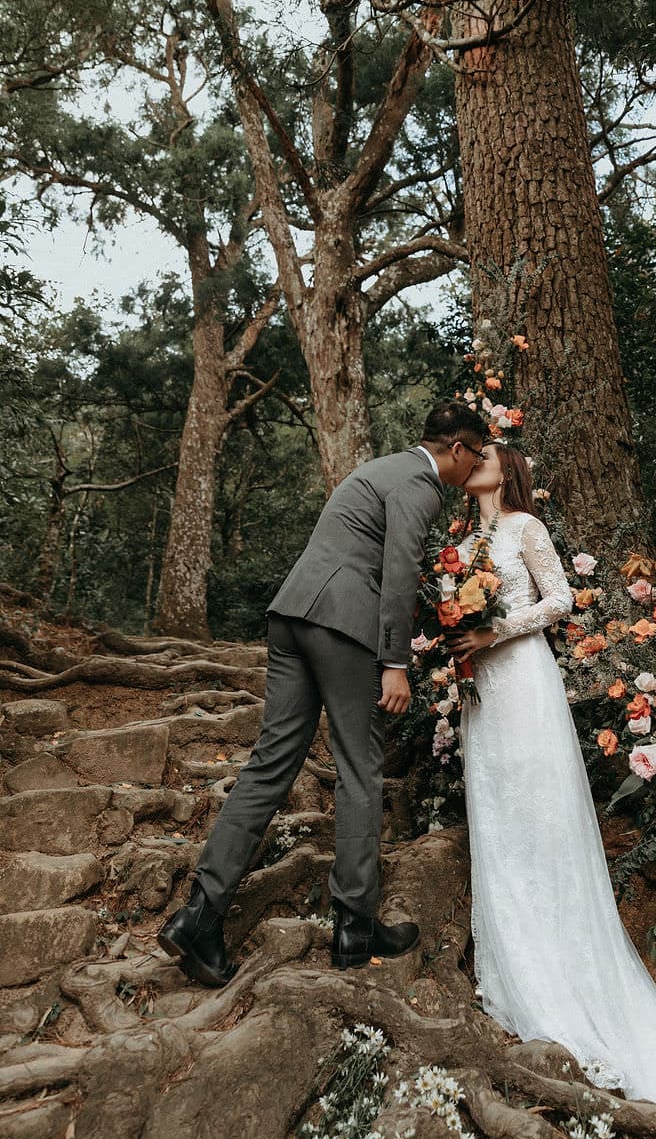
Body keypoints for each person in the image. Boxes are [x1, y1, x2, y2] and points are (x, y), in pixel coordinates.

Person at [157, 401, 490, 987]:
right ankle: (355, 926)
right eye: (477, 455)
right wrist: (394, 662)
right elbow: (398, 575)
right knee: (361, 766)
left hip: (292, 614)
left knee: (269, 765)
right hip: (344, 626)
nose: (475, 469)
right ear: (458, 450)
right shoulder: (421, 486)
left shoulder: (379, 468)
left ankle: (199, 916)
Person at [448, 441, 656, 1114]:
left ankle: (565, 972)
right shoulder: (463, 541)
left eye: (485, 453)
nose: (473, 459)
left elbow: (562, 599)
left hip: (525, 681)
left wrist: (495, 630)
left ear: (506, 471)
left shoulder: (523, 526)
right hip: (481, 695)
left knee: (541, 816)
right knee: (499, 818)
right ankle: (511, 962)